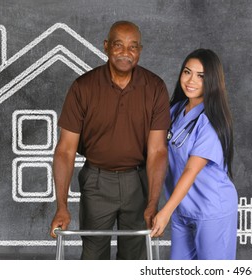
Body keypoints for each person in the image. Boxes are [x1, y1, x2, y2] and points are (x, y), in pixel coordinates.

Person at [50, 21, 169, 260]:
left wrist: (152, 203)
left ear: (140, 51)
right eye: (118, 45)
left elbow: (157, 151)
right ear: (106, 47)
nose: (126, 52)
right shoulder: (83, 87)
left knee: (134, 258)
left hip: (138, 182)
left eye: (133, 47)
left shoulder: (155, 88)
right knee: (93, 257)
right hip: (97, 182)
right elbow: (65, 151)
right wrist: (61, 206)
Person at [150, 49, 238, 260]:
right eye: (187, 72)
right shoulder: (174, 110)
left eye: (201, 76)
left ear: (213, 81)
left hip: (211, 211)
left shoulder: (210, 121)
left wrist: (165, 212)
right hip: (182, 209)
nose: (191, 80)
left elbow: (191, 169)